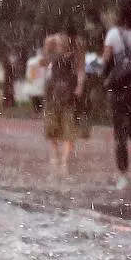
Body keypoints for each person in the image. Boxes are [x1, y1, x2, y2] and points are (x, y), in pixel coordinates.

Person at [101, 0, 131, 189]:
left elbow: (105, 61)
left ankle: (122, 176)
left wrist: (105, 74)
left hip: (119, 90)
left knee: (120, 134)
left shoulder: (115, 33)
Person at [39, 31, 85, 172]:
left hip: (68, 95)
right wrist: (46, 46)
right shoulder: (52, 56)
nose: (60, 43)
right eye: (58, 41)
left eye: (62, 41)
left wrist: (79, 87)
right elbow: (42, 62)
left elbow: (80, 71)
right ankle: (54, 156)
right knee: (52, 128)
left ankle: (64, 160)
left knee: (68, 129)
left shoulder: (74, 56)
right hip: (53, 95)